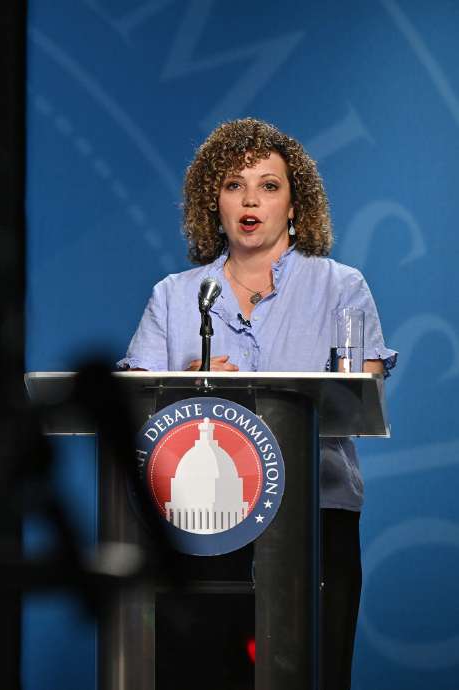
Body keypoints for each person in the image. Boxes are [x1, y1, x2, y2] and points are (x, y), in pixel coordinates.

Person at [118, 117, 396, 689]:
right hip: (200, 524)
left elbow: (361, 396)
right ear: (211, 203)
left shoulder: (341, 287)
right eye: (232, 185)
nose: (250, 200)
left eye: (268, 186)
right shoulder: (173, 297)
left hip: (314, 518)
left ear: (295, 206)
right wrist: (179, 385)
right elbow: (132, 407)